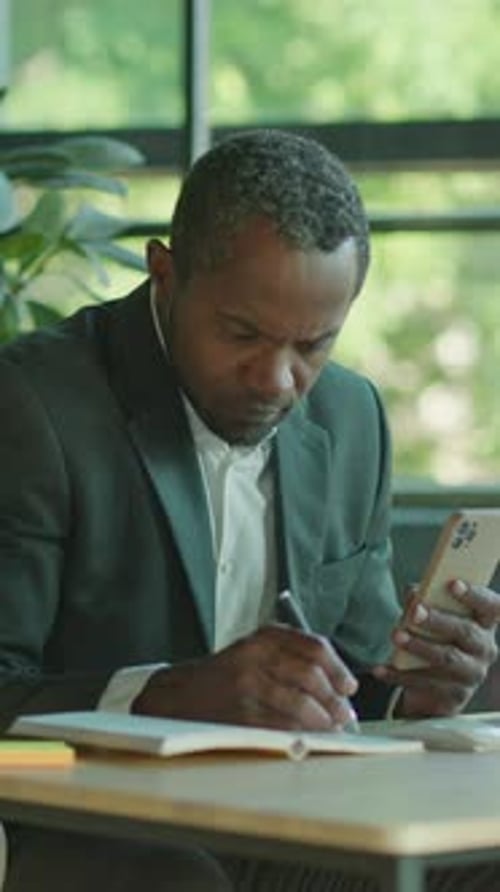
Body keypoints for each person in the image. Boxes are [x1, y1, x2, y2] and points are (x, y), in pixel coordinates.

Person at [0, 129, 499, 891]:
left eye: (314, 345)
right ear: (164, 274)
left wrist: (414, 693)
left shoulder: (350, 418)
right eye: (242, 334)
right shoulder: (36, 406)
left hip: (295, 819)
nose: (277, 379)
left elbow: (357, 681)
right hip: (94, 823)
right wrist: (169, 695)